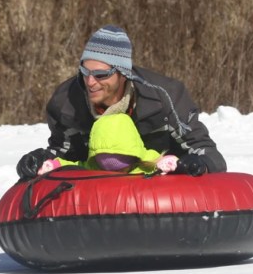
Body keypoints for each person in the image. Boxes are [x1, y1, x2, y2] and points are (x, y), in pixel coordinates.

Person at [16, 25, 227, 179]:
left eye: (101, 75)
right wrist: (39, 159)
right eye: (84, 71)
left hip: (162, 184)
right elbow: (62, 153)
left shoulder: (166, 97)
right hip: (98, 193)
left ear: (123, 74)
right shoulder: (66, 102)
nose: (90, 82)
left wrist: (199, 164)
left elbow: (205, 149)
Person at [37, 113, 180, 175]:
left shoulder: (145, 162)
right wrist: (55, 165)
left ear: (133, 158)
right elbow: (74, 167)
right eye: (106, 168)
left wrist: (169, 163)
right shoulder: (93, 167)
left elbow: (159, 161)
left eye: (121, 169)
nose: (115, 174)